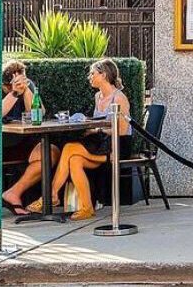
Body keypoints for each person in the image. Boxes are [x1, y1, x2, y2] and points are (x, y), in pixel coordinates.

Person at [26, 59, 132, 222]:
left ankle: (52, 195)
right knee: (74, 160)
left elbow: (122, 131)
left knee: (69, 148)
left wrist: (95, 129)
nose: (89, 77)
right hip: (101, 143)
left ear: (103, 75)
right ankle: (86, 208)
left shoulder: (119, 98)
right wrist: (90, 127)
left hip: (117, 146)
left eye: (92, 73)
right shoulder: (98, 96)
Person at [0, 61, 56, 218]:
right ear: (2, 84)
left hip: (19, 140)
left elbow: (38, 113)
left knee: (50, 152)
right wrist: (13, 94)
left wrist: (25, 90)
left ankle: (13, 193)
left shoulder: (27, 85)